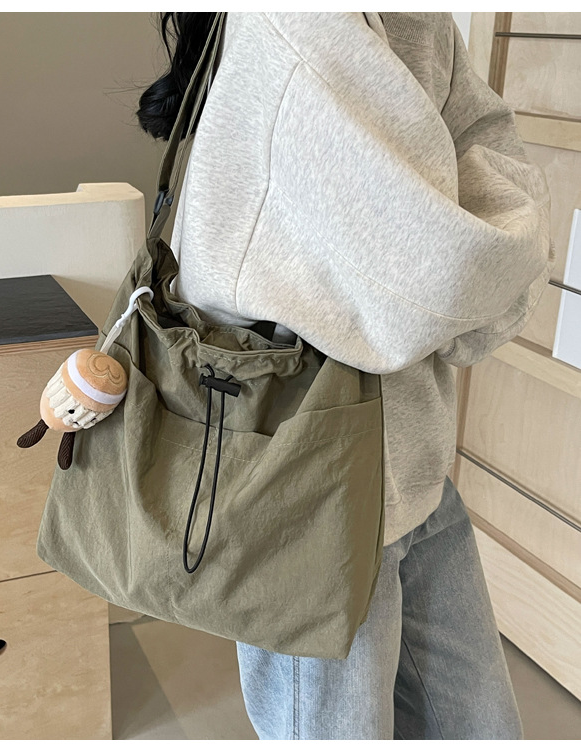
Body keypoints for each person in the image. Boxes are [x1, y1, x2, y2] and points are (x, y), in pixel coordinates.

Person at [136, 12, 555, 741]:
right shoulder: (302, 18)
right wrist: (491, 269)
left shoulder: (415, 18)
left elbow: (456, 236)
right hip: (309, 489)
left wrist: (476, 266)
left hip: (409, 467)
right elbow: (448, 270)